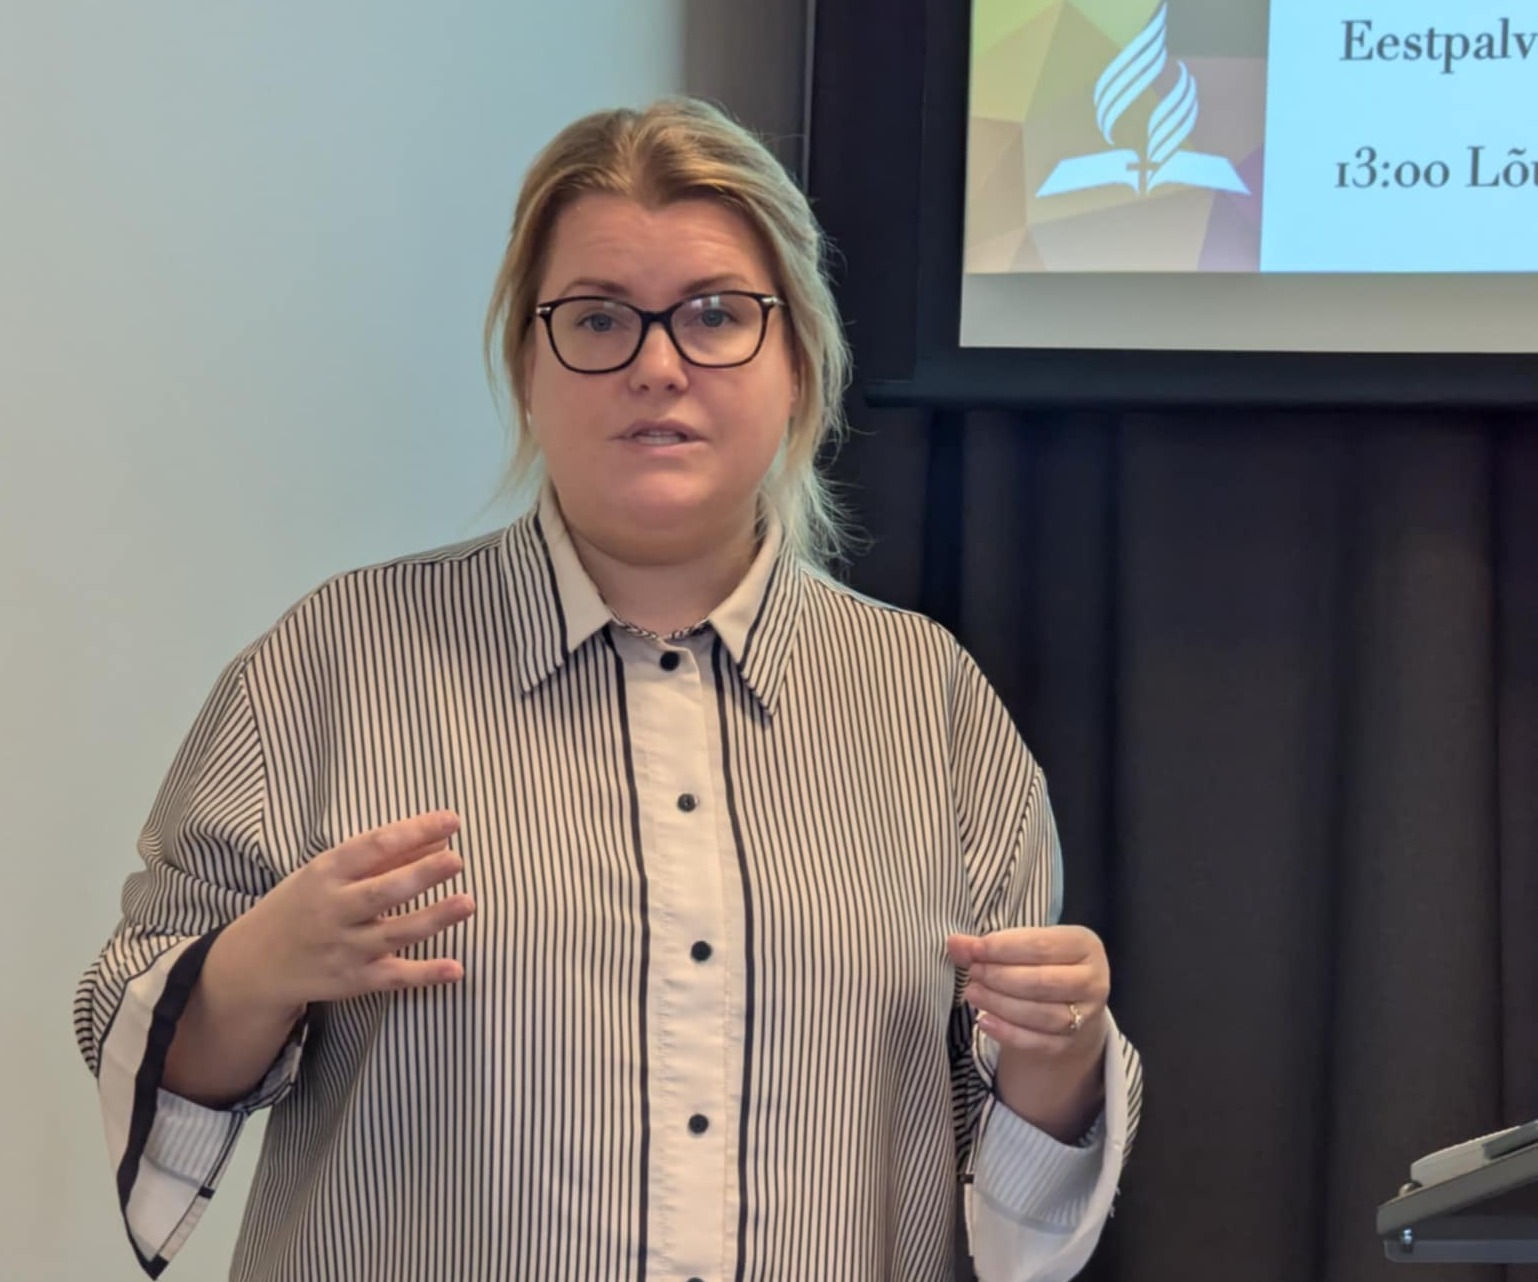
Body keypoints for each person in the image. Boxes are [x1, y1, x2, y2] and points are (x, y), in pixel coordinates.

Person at [74, 97, 1141, 1282]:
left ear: (797, 364)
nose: (656, 366)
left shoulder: (926, 701)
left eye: (715, 315)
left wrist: (1060, 1057)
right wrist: (254, 968)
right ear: (527, 368)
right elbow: (137, 1040)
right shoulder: (333, 661)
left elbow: (1011, 1191)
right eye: (597, 319)